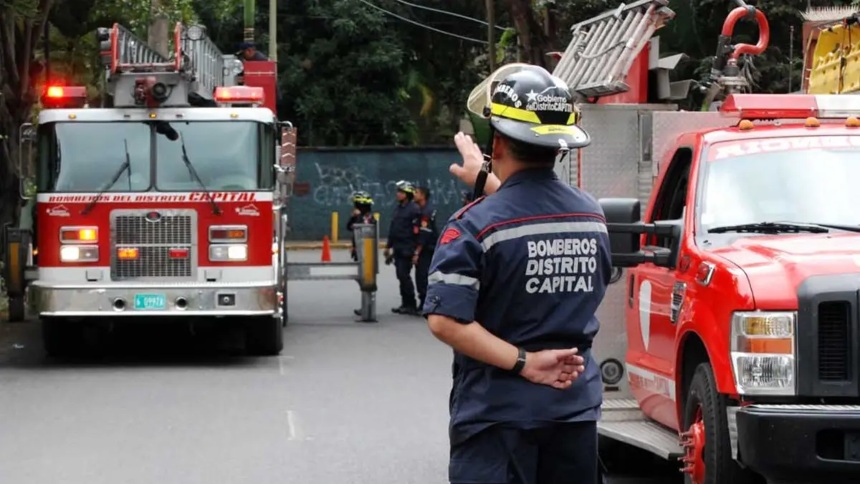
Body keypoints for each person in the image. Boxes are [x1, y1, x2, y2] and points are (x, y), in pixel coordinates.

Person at [422, 65, 612, 484]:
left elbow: (445, 320)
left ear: (499, 141)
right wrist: (488, 181)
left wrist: (525, 362)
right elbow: (534, 212)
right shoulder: (591, 216)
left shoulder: (472, 226)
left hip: (498, 419)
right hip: (573, 413)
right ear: (560, 146)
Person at [384, 180, 421, 315]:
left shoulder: (414, 210)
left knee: (404, 275)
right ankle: (405, 303)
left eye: (400, 192)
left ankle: (411, 303)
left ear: (407, 194)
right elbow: (393, 229)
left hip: (407, 247)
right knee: (400, 276)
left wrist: (415, 250)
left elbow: (417, 231)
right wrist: (388, 246)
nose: (397, 194)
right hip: (398, 247)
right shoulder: (398, 208)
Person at [347, 190, 378, 317]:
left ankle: (368, 307)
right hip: (358, 251)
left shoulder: (368, 218)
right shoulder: (360, 216)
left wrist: (357, 217)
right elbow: (350, 227)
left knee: (366, 279)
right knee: (360, 278)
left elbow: (361, 229)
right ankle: (366, 306)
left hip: (366, 254)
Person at [412, 186, 438, 310]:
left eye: (416, 192)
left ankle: (426, 304)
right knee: (421, 276)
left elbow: (424, 234)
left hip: (427, 250)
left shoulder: (426, 212)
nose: (414, 194)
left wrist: (417, 252)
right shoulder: (420, 210)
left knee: (423, 276)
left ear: (423, 195)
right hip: (425, 248)